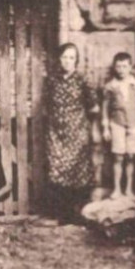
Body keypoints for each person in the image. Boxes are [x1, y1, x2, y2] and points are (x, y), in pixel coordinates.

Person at [45, 42, 98, 224]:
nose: (67, 61)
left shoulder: (83, 79)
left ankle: (78, 215)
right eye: (64, 57)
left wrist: (84, 126)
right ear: (59, 59)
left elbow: (93, 106)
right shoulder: (52, 80)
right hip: (56, 133)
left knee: (77, 171)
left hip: (77, 133)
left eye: (71, 58)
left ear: (76, 60)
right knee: (57, 169)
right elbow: (48, 104)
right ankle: (63, 214)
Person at [101, 51, 135, 198]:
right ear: (114, 68)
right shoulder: (110, 86)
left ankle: (129, 188)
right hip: (117, 124)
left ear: (130, 67)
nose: (121, 70)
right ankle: (117, 189)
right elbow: (105, 107)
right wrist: (105, 127)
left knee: (131, 156)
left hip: (134, 124)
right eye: (118, 67)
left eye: (125, 66)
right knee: (118, 157)